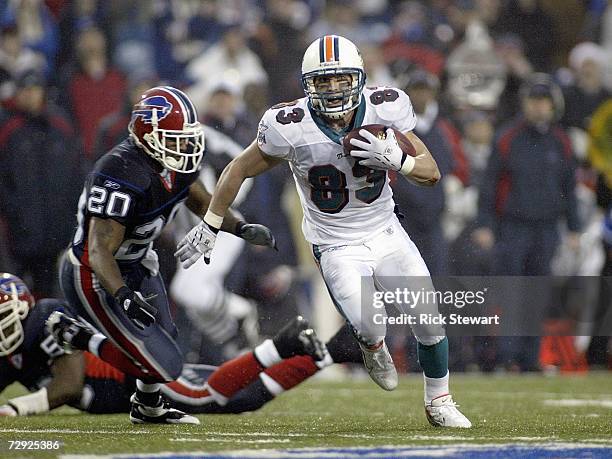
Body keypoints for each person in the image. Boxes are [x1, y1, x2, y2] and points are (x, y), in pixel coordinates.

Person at [176, 35, 471, 428]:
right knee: (370, 323)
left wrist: (397, 159)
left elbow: (431, 174)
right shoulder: (289, 126)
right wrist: (212, 222)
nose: (333, 89)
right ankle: (371, 345)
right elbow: (238, 168)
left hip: (385, 231)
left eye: (340, 79)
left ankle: (439, 401)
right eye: (323, 81)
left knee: (429, 320)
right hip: (335, 243)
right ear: (307, 85)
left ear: (359, 78)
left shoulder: (386, 107)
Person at [58, 85, 276, 424]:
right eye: (174, 137)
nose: (183, 145)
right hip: (96, 272)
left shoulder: (173, 163)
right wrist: (123, 294)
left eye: (185, 137)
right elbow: (99, 250)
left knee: (167, 342)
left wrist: (240, 228)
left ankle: (147, 407)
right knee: (164, 364)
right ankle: (74, 334)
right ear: (148, 133)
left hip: (139, 263)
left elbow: (203, 201)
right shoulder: (119, 170)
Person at [0, 272, 333, 417]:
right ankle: (335, 350)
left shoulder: (46, 317)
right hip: (128, 390)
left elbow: (69, 385)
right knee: (245, 397)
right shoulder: (12, 353)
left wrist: (18, 408)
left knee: (210, 398)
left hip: (137, 376)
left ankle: (285, 342)